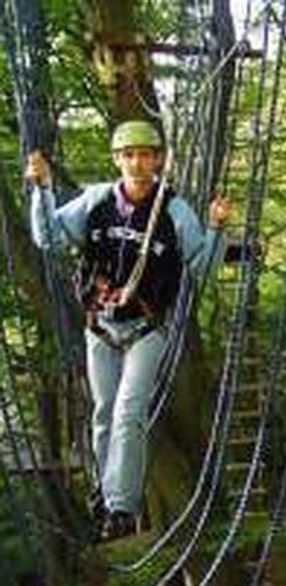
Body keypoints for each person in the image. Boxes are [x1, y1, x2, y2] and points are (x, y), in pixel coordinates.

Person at [25, 119, 232, 541]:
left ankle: (122, 506)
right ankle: (106, 496)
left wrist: (216, 228)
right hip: (100, 327)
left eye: (145, 156)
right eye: (129, 155)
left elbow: (202, 265)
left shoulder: (173, 210)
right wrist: (42, 190)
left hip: (146, 330)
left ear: (157, 161)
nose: (137, 164)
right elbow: (49, 237)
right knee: (103, 414)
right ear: (117, 160)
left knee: (128, 411)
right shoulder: (96, 201)